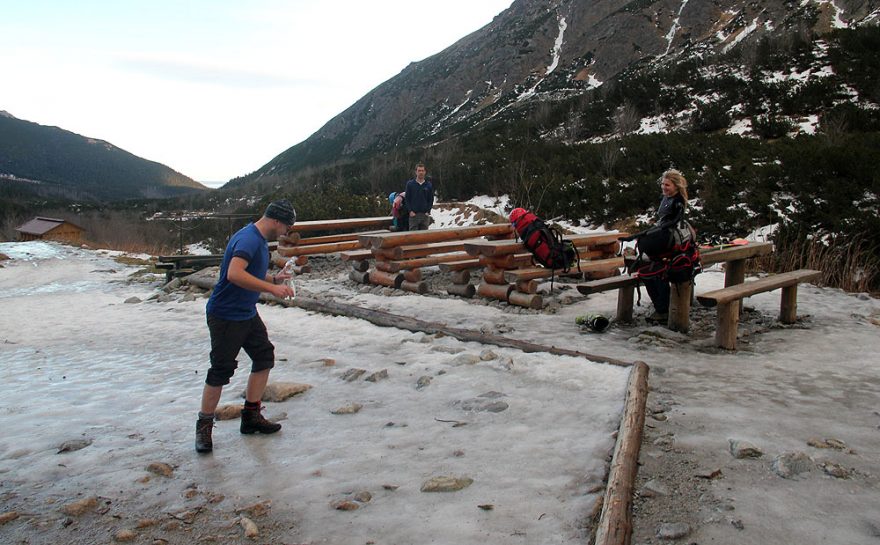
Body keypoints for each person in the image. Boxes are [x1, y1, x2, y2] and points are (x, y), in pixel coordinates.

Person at [195, 199, 297, 454]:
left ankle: (251, 416)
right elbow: (234, 274)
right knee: (221, 370)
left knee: (264, 356)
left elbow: (250, 271)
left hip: (246, 313)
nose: (286, 231)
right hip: (226, 315)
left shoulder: (258, 238)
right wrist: (272, 288)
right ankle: (204, 427)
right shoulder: (250, 239)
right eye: (286, 226)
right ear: (275, 221)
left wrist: (274, 277)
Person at [630, 169, 689, 324]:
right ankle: (661, 307)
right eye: (662, 184)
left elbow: (674, 222)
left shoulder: (678, 201)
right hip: (662, 239)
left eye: (667, 185)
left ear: (676, 186)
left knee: (656, 271)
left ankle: (663, 308)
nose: (664, 187)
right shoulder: (666, 198)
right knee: (648, 270)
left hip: (669, 242)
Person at [404, 162, 433, 230]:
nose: (421, 172)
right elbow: (407, 199)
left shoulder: (428, 185)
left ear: (425, 172)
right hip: (414, 215)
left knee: (424, 237)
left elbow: (431, 199)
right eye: (419, 170)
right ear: (416, 172)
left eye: (422, 170)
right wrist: (410, 211)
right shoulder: (410, 184)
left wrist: (428, 211)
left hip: (424, 215)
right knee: (413, 237)